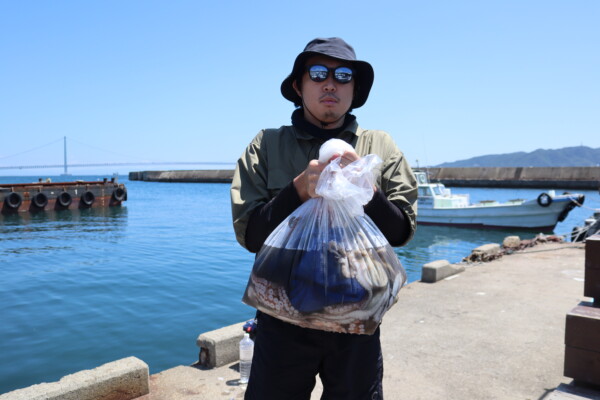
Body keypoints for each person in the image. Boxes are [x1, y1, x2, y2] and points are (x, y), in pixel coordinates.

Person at [230, 37, 418, 400]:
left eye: (343, 75)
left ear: (355, 88)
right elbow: (252, 237)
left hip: (358, 319)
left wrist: (367, 192)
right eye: (317, 73)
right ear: (298, 86)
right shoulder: (267, 144)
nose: (330, 83)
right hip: (282, 315)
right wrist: (298, 189)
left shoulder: (380, 145)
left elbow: (401, 232)